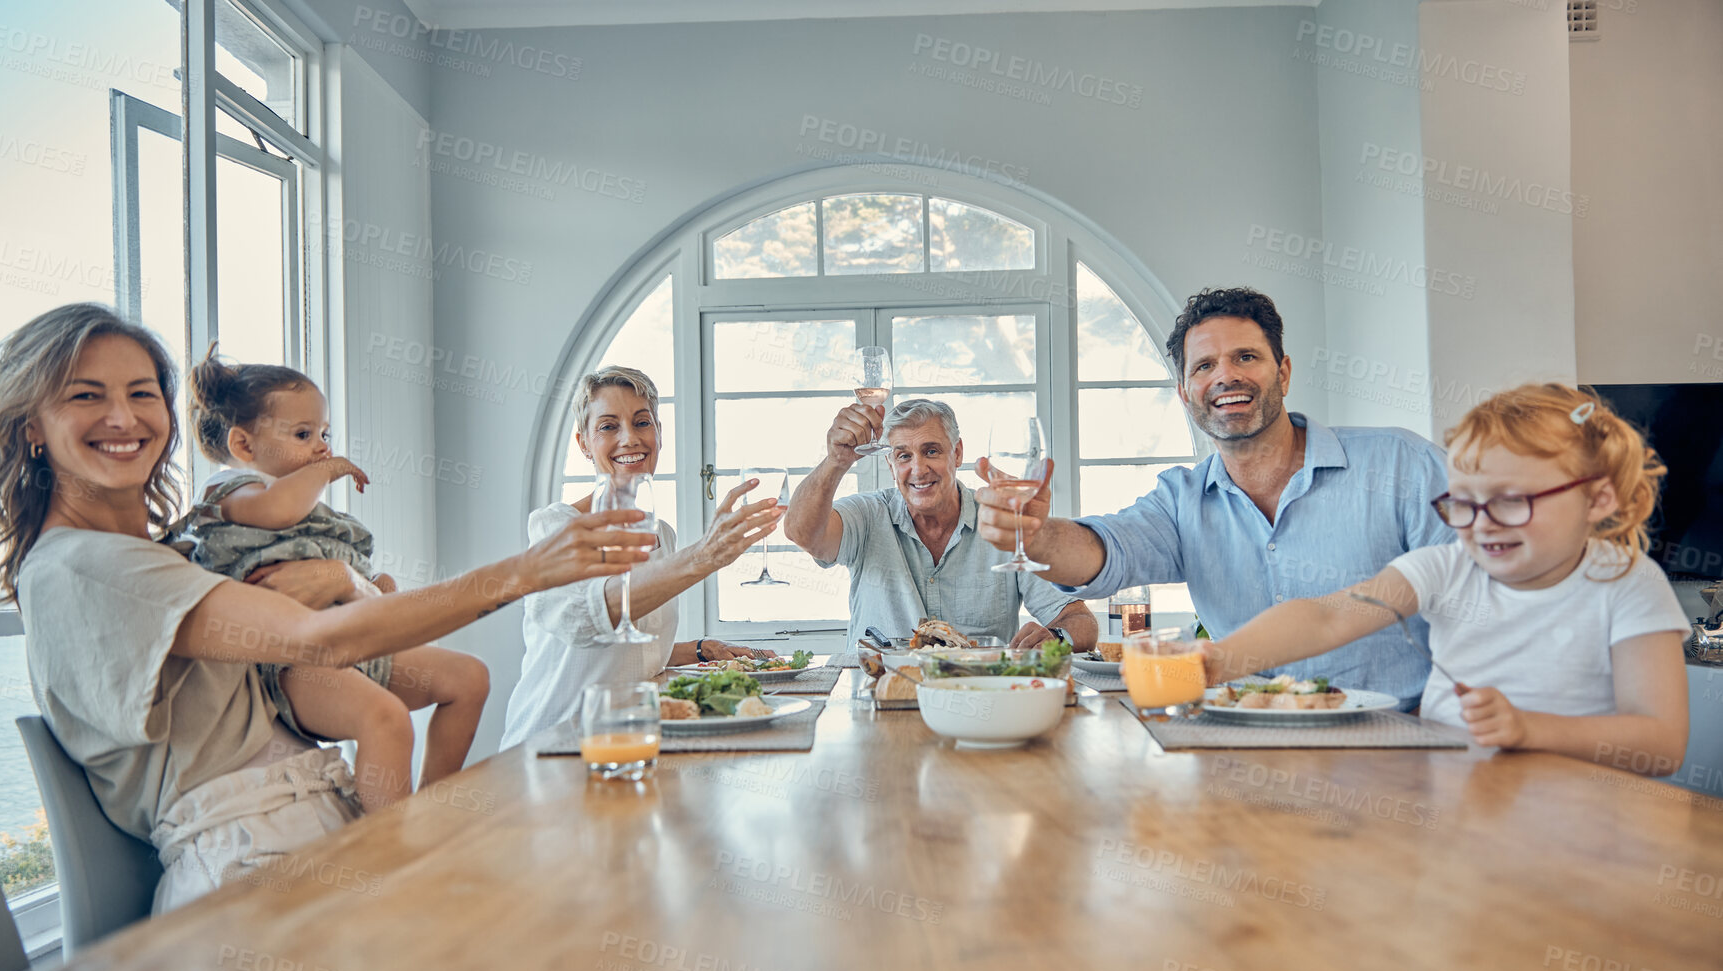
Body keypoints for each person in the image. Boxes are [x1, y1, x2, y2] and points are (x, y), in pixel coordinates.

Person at [0, 304, 650, 912]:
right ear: (30, 426)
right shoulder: (90, 566)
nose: (122, 416)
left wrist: (337, 576)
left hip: (308, 828)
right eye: (87, 396)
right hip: (253, 860)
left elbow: (325, 646)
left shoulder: (171, 555)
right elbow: (321, 643)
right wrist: (524, 573)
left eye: (141, 393)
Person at [974, 287, 1452, 709]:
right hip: (1245, 747)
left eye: (1246, 357)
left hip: (1400, 738)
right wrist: (1036, 538)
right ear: (1185, 393)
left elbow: (1482, 594)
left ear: (1283, 373)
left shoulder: (1402, 466)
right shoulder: (1181, 501)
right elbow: (1107, 551)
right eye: (1204, 365)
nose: (1226, 376)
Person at [1203, 384, 1689, 771]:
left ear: (1598, 500)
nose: (1481, 522)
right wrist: (1221, 659)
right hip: (1459, 810)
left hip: (1586, 827)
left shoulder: (1628, 583)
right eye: (1464, 503)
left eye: (1510, 499)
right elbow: (1326, 618)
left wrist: (1528, 729)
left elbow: (1661, 743)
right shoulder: (1448, 566)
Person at [165, 350, 489, 813]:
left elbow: (337, 568)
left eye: (324, 435)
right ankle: (390, 850)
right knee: (386, 719)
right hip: (293, 667)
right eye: (303, 434)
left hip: (354, 647)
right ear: (244, 446)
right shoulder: (230, 491)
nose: (321, 446)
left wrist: (374, 587)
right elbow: (278, 511)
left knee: (469, 678)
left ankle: (430, 813)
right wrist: (327, 470)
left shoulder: (308, 509)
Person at [499, 366, 785, 748]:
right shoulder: (557, 527)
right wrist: (704, 556)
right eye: (608, 427)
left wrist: (700, 650)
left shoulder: (662, 534)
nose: (629, 438)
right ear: (583, 442)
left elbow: (630, 652)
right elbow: (589, 618)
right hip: (552, 747)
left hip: (627, 742)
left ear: (659, 434)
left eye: (642, 422)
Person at [783, 397, 1097, 653]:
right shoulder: (867, 515)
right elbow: (802, 533)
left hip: (978, 697)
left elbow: (1080, 621)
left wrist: (1056, 638)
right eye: (903, 456)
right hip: (881, 694)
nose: (918, 469)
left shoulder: (1002, 522)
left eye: (931, 451)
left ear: (957, 453)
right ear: (889, 464)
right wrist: (836, 461)